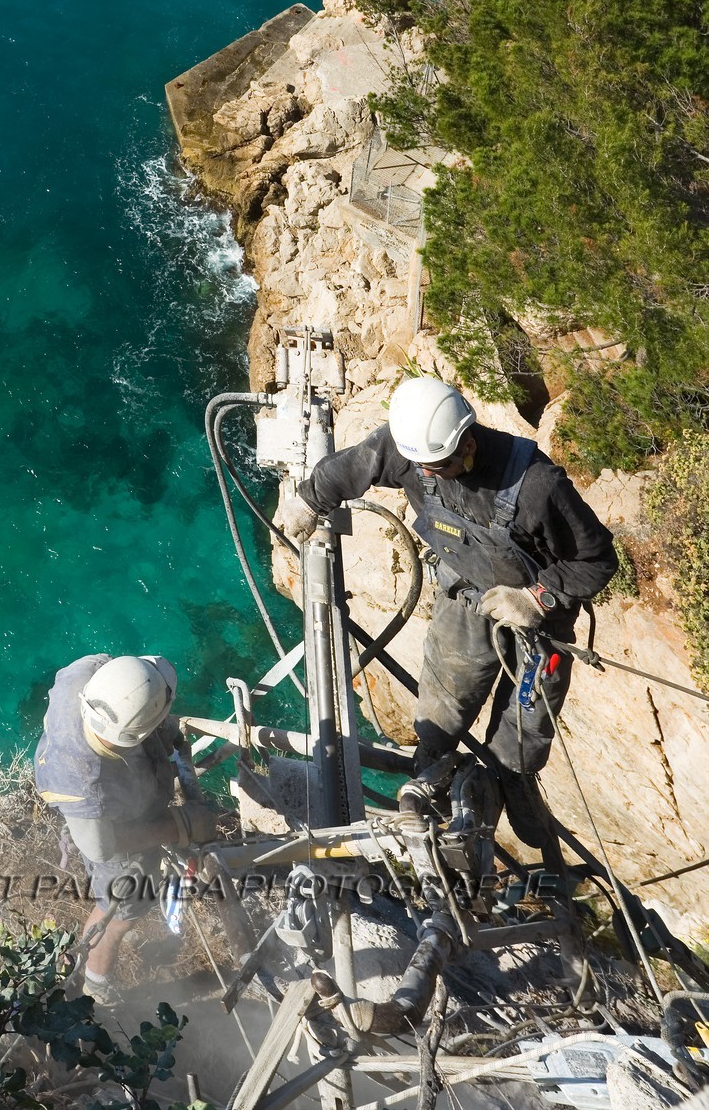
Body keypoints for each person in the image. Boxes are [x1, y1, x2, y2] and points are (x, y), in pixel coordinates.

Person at [280, 375, 617, 844]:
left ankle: (513, 780)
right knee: (442, 705)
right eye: (423, 466)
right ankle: (432, 771)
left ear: (468, 442)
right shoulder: (410, 450)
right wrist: (310, 498)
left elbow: (597, 560)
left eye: (441, 464)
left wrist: (535, 599)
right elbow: (353, 466)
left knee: (528, 720)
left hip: (538, 616)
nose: (429, 474)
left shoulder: (537, 486)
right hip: (466, 595)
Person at [33, 652, 218, 1005]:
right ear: (136, 733)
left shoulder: (85, 675)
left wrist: (162, 732)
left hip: (121, 800)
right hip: (116, 846)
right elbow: (101, 848)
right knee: (116, 916)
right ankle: (95, 984)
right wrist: (177, 825)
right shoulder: (81, 782)